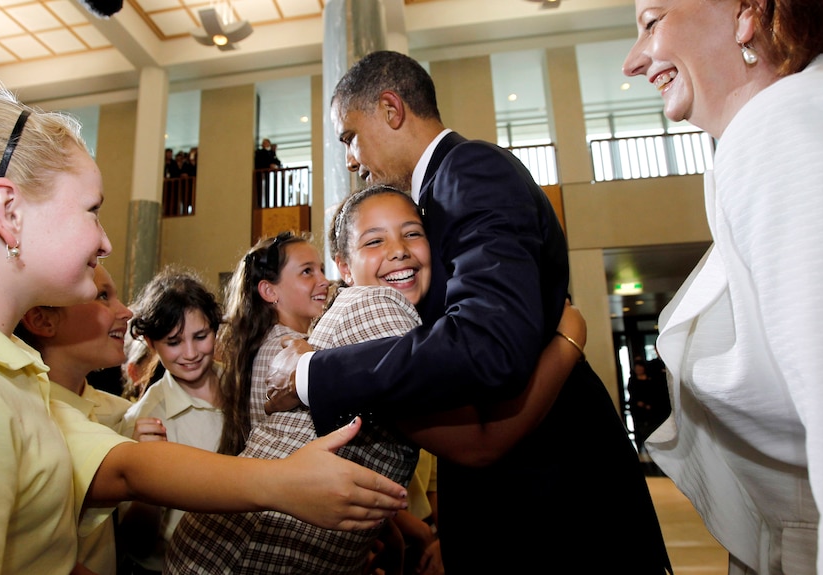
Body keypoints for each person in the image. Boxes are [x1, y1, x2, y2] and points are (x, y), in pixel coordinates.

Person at [0, 85, 409, 575]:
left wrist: (283, 481)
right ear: (8, 211)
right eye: (91, 210)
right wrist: (282, 482)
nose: (107, 240)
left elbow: (125, 468)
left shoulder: (14, 371)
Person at [265, 52, 672, 573]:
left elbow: (488, 344)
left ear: (391, 110)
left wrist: (313, 371)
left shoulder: (469, 170)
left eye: (349, 136)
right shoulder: (435, 193)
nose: (350, 157)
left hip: (552, 493)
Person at [167, 186, 587, 574]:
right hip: (242, 557)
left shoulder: (367, 314)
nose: (399, 251)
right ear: (346, 269)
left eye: (412, 234)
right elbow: (481, 442)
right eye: (374, 241)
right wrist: (569, 337)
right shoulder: (383, 305)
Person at [622, 0, 823, 572]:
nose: (634, 61)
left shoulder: (778, 128)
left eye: (652, 22)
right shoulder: (767, 133)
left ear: (747, 12)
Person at [14, 263, 134, 575]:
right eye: (103, 296)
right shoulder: (33, 417)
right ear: (42, 319)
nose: (126, 312)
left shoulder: (116, 411)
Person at [117, 268, 227, 572]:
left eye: (201, 336)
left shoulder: (242, 386)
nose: (190, 353)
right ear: (151, 344)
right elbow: (134, 540)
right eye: (174, 342)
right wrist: (148, 481)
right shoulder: (145, 419)